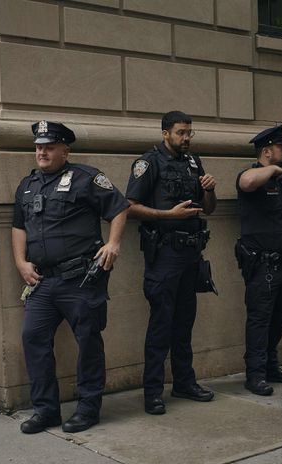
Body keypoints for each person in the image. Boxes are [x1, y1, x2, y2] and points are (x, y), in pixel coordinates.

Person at [12, 121, 128, 434]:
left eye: (49, 146)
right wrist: (20, 262)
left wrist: (113, 243)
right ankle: (46, 411)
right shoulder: (27, 185)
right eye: (38, 146)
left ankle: (88, 409)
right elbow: (19, 226)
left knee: (88, 342)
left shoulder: (86, 178)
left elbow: (119, 209)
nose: (42, 152)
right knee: (33, 337)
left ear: (66, 150)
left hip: (80, 279)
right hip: (42, 281)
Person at [125, 110, 217, 415]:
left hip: (190, 254)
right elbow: (129, 208)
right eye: (181, 132)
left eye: (190, 132)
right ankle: (152, 392)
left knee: (184, 323)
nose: (186, 138)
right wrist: (169, 216)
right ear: (165, 133)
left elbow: (209, 209)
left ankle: (184, 382)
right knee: (161, 325)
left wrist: (209, 189)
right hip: (164, 255)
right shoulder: (147, 162)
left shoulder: (193, 161)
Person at [236, 125, 282, 396]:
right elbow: (247, 182)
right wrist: (273, 170)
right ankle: (254, 374)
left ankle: (270, 366)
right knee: (259, 319)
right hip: (262, 265)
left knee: (280, 316)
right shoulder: (252, 175)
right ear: (267, 151)